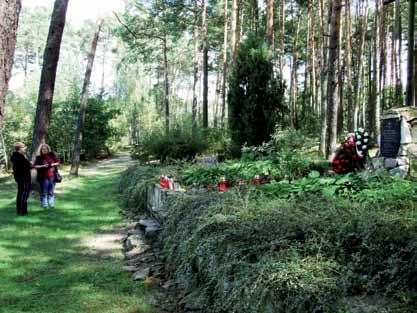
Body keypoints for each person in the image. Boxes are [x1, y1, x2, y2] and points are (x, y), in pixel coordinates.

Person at [34, 144, 60, 208]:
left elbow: (58, 162)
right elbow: (35, 166)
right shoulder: (39, 157)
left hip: (52, 176)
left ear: (48, 149)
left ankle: (51, 204)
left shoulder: (52, 155)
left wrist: (51, 164)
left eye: (46, 148)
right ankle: (44, 204)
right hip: (43, 177)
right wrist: (43, 166)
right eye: (43, 149)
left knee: (51, 191)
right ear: (41, 150)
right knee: (44, 191)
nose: (44, 150)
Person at [10, 142, 32, 216]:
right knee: (24, 193)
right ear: (20, 148)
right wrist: (30, 164)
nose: (24, 149)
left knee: (20, 193)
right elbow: (25, 167)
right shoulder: (19, 157)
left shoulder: (16, 156)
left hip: (20, 178)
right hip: (24, 178)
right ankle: (22, 211)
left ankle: (20, 210)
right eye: (23, 147)